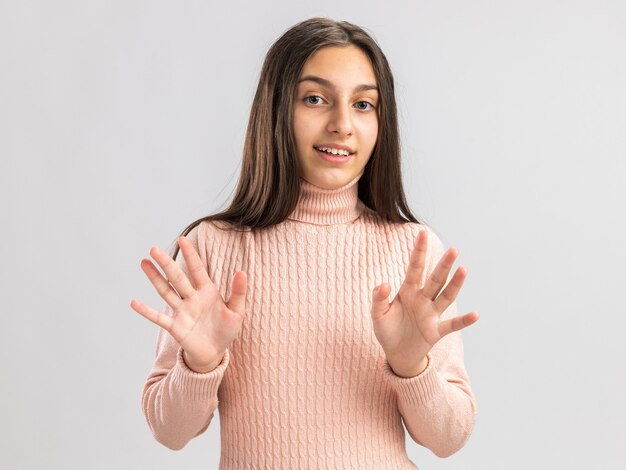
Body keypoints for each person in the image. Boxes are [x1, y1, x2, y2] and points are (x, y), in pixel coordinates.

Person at [130, 17, 480, 469]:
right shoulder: (210, 248)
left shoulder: (412, 249)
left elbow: (448, 439)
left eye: (364, 104)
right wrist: (199, 364)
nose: (342, 124)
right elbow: (169, 432)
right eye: (315, 99)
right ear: (276, 109)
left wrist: (413, 367)